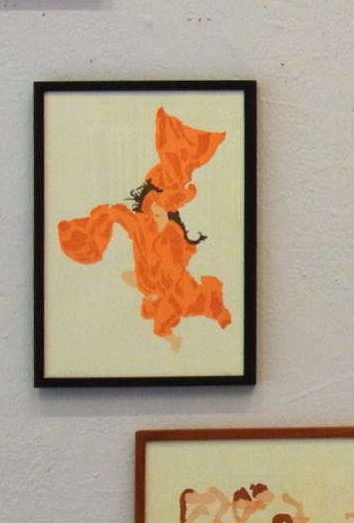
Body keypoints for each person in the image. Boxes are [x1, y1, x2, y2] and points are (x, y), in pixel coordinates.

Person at [55, 107, 233, 353]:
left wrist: (95, 226)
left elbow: (118, 216)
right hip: (169, 265)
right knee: (189, 301)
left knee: (174, 297)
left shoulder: (148, 267)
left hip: (161, 260)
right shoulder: (171, 274)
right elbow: (125, 215)